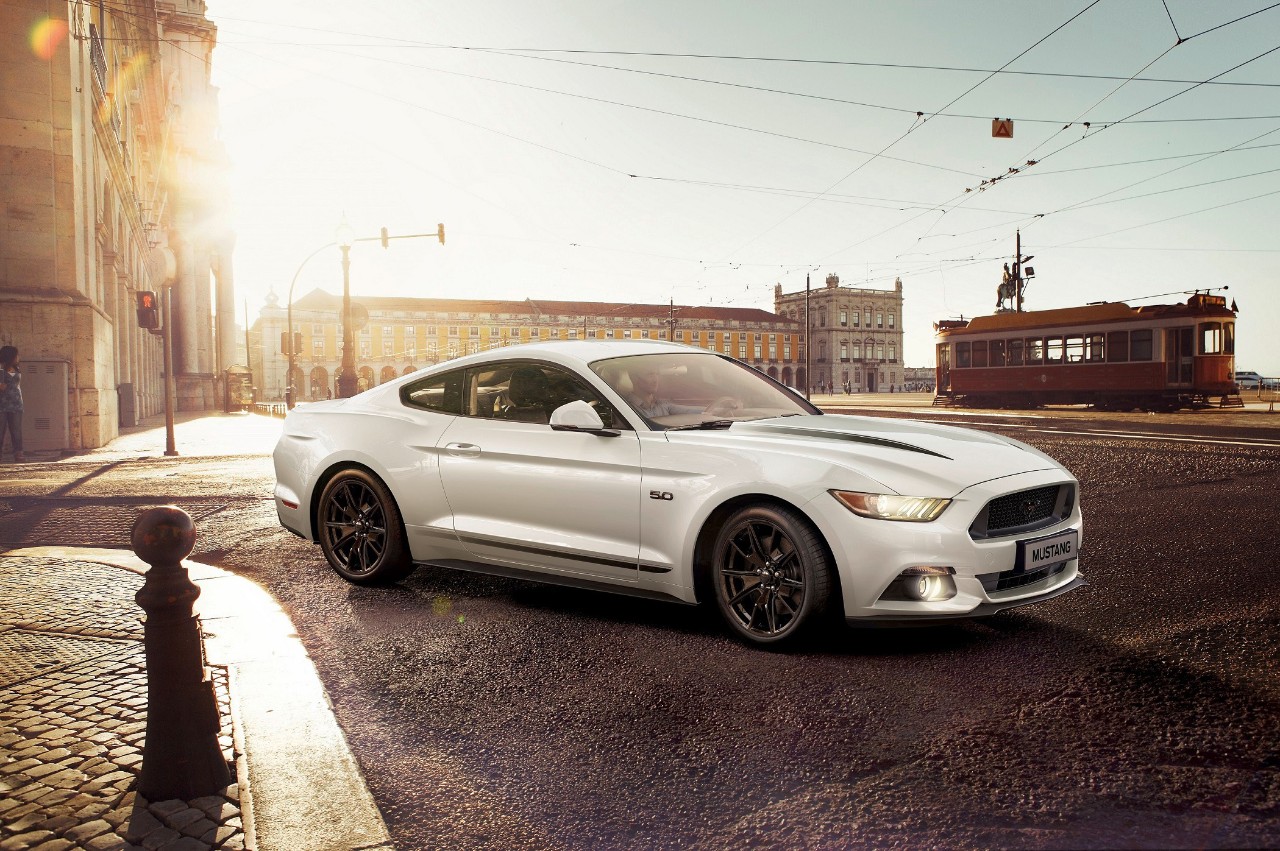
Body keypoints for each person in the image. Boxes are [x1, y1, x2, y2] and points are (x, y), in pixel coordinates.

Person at [625, 364, 740, 420]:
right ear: (635, 379)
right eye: (650, 374)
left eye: (656, 374)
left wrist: (725, 409)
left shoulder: (663, 405)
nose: (656, 380)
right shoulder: (626, 407)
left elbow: (694, 411)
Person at [0, 346, 23, 463]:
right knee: (1, 431)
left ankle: (19, 454)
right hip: (2, 405)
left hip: (16, 404)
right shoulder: (0, 370)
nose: (18, 357)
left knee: (16, 431)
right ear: (10, 356)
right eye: (16, 355)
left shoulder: (17, 369)